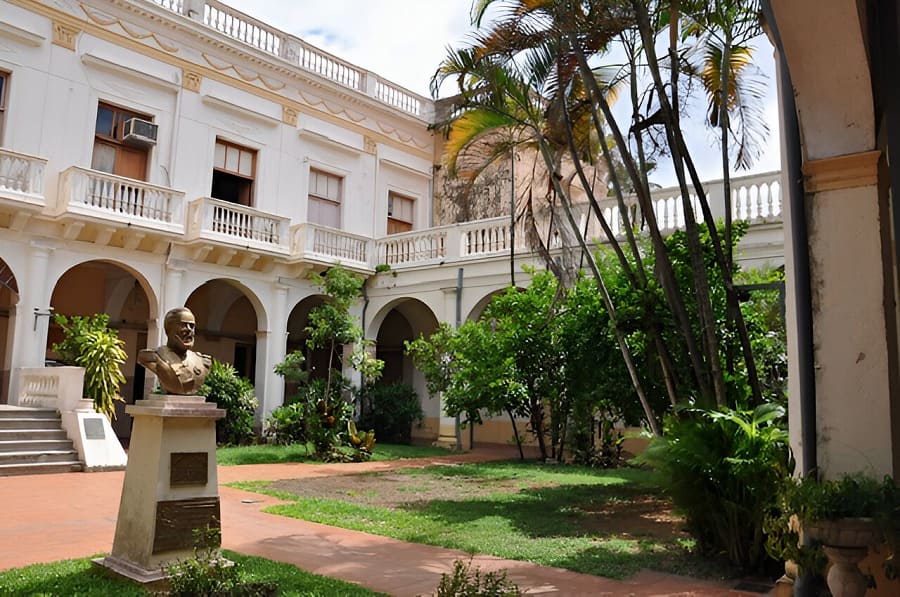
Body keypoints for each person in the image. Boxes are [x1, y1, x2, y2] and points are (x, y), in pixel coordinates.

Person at [138, 307, 212, 395]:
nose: (189, 330)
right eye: (183, 325)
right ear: (168, 330)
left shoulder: (203, 362)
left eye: (192, 326)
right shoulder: (154, 357)